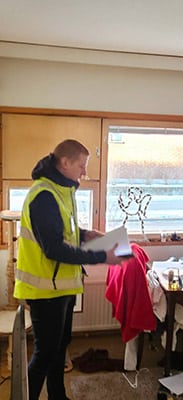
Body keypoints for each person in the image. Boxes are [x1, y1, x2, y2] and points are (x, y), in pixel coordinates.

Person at [14, 139, 128, 400]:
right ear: (65, 162)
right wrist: (103, 256)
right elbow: (53, 248)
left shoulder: (62, 190)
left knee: (59, 349)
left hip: (62, 287)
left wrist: (86, 234)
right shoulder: (44, 196)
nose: (85, 172)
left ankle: (58, 396)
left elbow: (62, 232)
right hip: (45, 292)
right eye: (82, 165)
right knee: (45, 354)